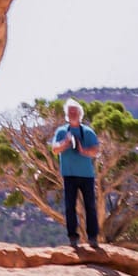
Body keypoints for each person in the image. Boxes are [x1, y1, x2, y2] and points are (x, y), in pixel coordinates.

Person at [52, 98, 101, 245]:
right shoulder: (61, 131)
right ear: (66, 114)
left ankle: (93, 238)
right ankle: (73, 237)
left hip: (87, 175)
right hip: (69, 174)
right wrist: (65, 143)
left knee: (90, 206)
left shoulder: (88, 132)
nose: (72, 114)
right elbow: (55, 149)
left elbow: (95, 151)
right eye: (70, 111)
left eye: (75, 111)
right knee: (69, 207)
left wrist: (83, 150)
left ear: (80, 113)